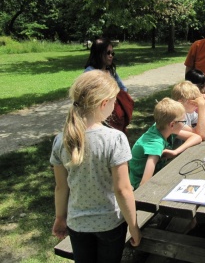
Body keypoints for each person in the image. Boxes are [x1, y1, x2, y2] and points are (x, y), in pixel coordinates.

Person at [50, 70, 141, 263]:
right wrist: (134, 227)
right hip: (110, 224)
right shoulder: (115, 139)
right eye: (115, 100)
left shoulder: (60, 140)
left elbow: (61, 187)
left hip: (77, 224)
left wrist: (60, 217)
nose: (116, 105)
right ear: (103, 103)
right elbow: (123, 189)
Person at [129, 97, 202, 190]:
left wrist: (176, 151)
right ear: (172, 124)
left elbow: (197, 137)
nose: (184, 124)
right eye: (183, 121)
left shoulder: (163, 128)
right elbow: (144, 184)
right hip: (139, 188)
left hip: (157, 177)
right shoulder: (155, 145)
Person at [84, 38, 134, 135]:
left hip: (114, 114)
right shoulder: (90, 73)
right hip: (98, 117)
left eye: (112, 53)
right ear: (98, 53)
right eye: (108, 53)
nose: (111, 56)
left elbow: (123, 88)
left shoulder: (110, 71)